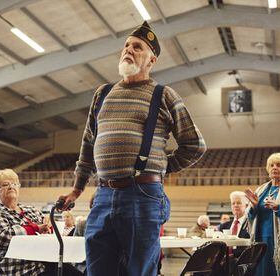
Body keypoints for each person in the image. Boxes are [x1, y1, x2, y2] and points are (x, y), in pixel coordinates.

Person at [58, 21, 206, 276]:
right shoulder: (102, 94)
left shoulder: (164, 94)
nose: (129, 49)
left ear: (152, 60)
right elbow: (88, 142)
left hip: (143, 195)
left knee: (139, 270)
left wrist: (160, 166)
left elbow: (195, 145)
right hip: (103, 195)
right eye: (126, 45)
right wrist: (77, 189)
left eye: (137, 47)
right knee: (96, 269)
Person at [0, 169, 82, 275]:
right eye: (5, 184)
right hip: (20, 268)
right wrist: (36, 228)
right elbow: (2, 237)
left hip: (45, 262)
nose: (11, 186)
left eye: (14, 184)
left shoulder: (31, 210)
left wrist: (49, 225)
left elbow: (47, 228)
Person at [219, 191, 250, 257]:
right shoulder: (223, 226)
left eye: (239, 203)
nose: (235, 205)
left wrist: (232, 255)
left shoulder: (250, 225)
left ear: (246, 206)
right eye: (233, 203)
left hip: (241, 262)